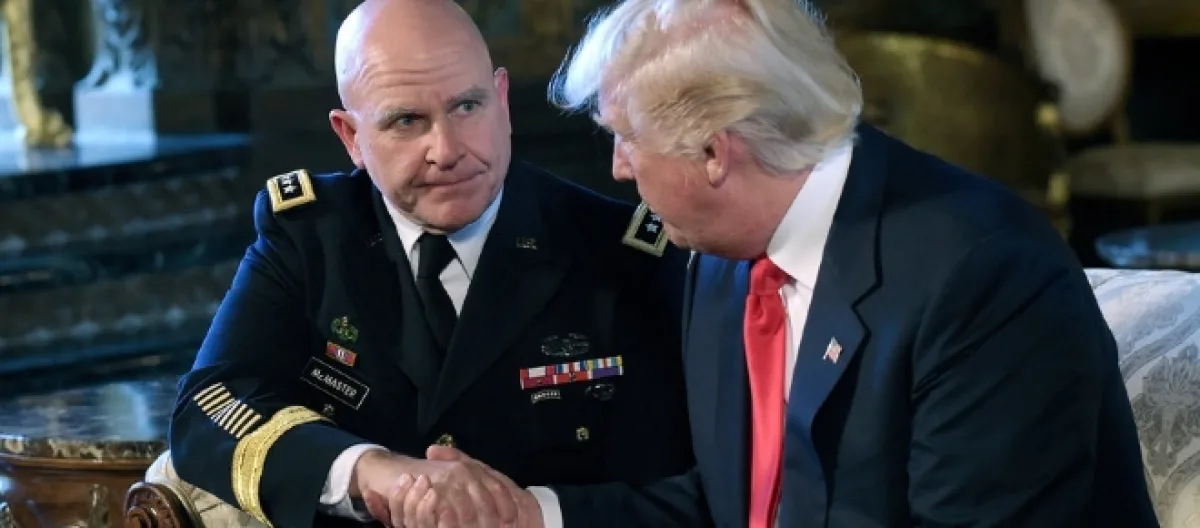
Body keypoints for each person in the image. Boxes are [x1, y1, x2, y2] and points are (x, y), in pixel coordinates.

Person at [403, 0, 1161, 526]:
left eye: (626, 138)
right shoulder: (721, 258)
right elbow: (736, 506)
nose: (618, 169)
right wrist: (531, 515)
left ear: (714, 153)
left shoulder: (984, 277)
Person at [166, 0, 696, 526]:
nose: (446, 150)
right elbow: (208, 409)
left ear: (502, 100)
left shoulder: (619, 255)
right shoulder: (312, 238)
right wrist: (373, 473)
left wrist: (533, 515)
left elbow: (686, 491)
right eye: (406, 121)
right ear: (351, 138)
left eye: (467, 107)